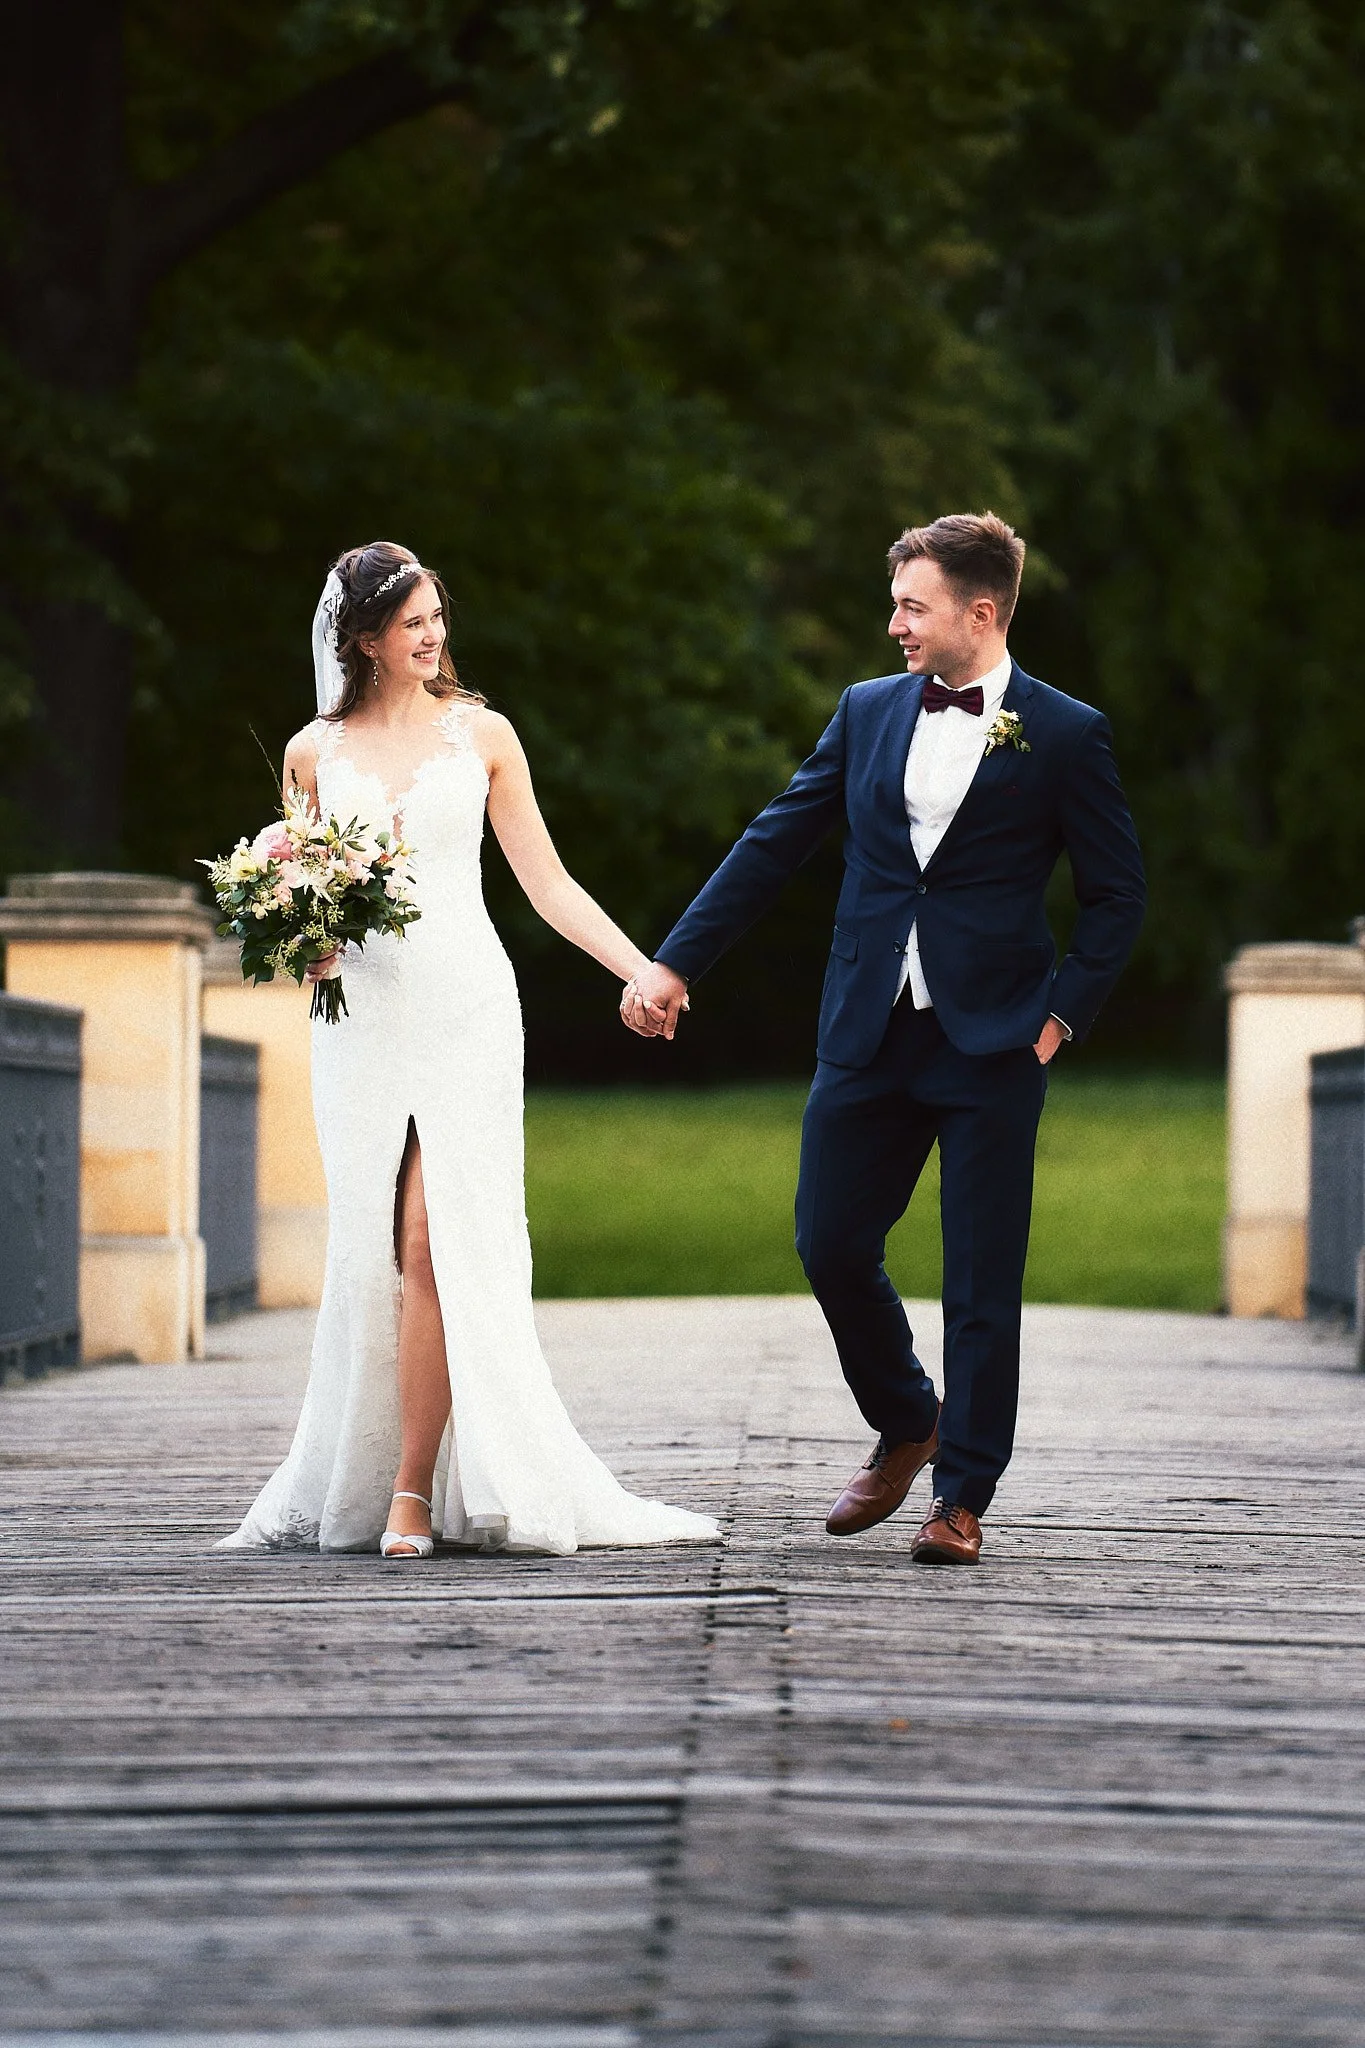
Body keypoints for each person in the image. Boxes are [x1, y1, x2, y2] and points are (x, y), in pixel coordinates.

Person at [622, 512, 1145, 1565]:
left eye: (914, 604)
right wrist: (674, 961)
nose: (894, 622)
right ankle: (910, 1416)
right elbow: (776, 839)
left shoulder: (1066, 732)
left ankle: (962, 1496)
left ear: (980, 612)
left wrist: (1059, 1017)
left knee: (982, 1274)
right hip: (868, 1025)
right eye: (897, 602)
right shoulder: (864, 712)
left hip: (998, 1038)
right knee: (829, 1238)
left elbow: (1118, 895)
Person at [219, 541, 718, 1559]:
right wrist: (304, 938)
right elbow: (305, 900)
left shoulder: (483, 735)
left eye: (438, 614)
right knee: (373, 1256)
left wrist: (643, 969)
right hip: (360, 1025)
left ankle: (411, 1491)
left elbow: (549, 883)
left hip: (466, 1009)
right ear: (362, 638)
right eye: (411, 622)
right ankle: (379, 1471)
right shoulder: (313, 752)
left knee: (434, 1239)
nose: (433, 633)